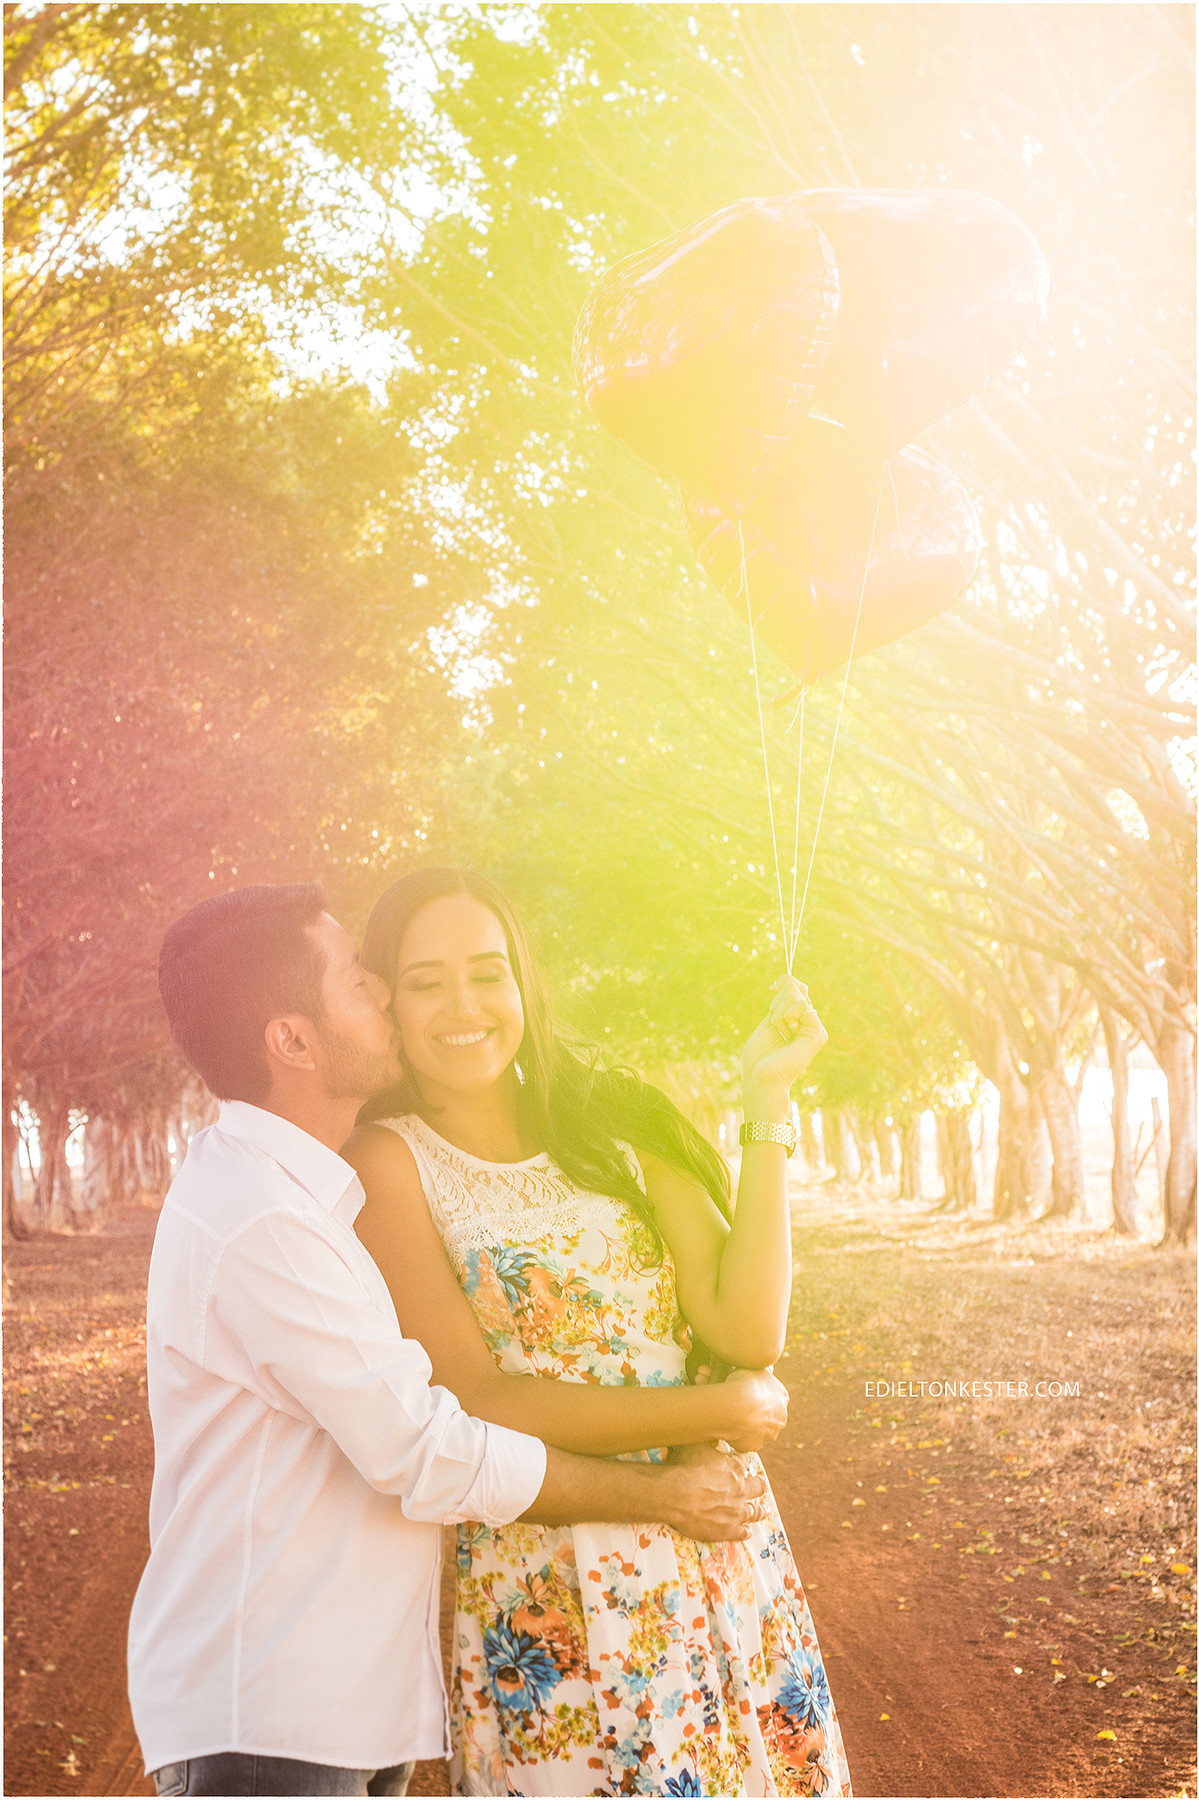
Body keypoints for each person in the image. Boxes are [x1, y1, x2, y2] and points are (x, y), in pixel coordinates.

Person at [128, 883, 771, 1800]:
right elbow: (422, 1447)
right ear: (294, 1040)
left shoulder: (292, 1195)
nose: (385, 994)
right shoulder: (264, 1221)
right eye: (359, 981)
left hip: (326, 1707)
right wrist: (659, 1492)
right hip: (266, 1717)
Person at [346, 866, 852, 1799]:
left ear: (524, 983)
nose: (465, 1005)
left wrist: (766, 1104)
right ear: (388, 1000)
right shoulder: (388, 1159)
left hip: (714, 1549)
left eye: (487, 972)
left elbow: (746, 1320)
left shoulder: (617, 1120)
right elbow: (476, 1397)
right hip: (544, 1573)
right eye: (426, 982)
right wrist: (724, 1405)